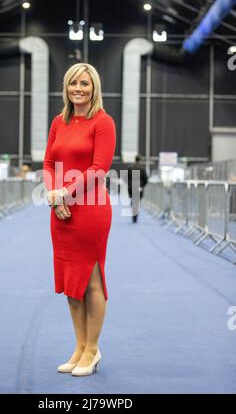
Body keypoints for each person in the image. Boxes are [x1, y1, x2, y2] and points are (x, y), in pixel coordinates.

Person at [43, 63, 116, 377]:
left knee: (91, 280)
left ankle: (93, 348)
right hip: (60, 211)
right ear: (66, 87)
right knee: (72, 284)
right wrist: (52, 194)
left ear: (94, 88)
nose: (78, 89)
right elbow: (48, 162)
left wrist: (64, 194)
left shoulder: (104, 122)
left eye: (84, 83)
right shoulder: (59, 121)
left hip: (90, 210)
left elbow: (99, 168)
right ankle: (79, 345)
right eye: (73, 83)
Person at [127, 155, 148, 223]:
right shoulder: (142, 168)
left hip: (131, 187)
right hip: (139, 187)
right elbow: (146, 179)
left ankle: (133, 207)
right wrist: (142, 186)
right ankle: (135, 216)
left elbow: (126, 178)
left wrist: (129, 184)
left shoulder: (130, 167)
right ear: (140, 160)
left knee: (133, 200)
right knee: (138, 201)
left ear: (135, 159)